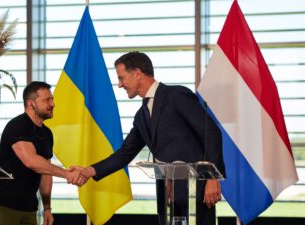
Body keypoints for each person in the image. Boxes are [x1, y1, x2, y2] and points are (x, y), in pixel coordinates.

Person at [76, 52, 225, 225]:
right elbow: (125, 153)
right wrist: (90, 171)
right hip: (167, 197)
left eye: (121, 78)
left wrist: (213, 178)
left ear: (137, 73)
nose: (119, 85)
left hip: (196, 194)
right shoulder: (141, 116)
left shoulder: (176, 95)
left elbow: (211, 132)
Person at [0, 81, 85, 225]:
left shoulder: (47, 133)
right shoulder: (17, 126)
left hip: (29, 208)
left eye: (52, 99)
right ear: (31, 104)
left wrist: (47, 208)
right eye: (47, 100)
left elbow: (45, 173)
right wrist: (68, 174)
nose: (52, 104)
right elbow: (31, 161)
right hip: (2, 206)